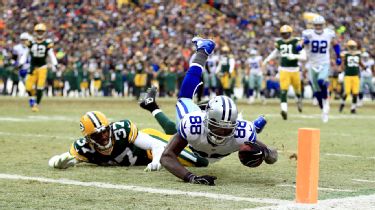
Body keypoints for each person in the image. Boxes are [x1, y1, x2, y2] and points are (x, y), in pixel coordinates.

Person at [148, 38, 277, 186]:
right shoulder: (193, 124)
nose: (221, 132)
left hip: (212, 148)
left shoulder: (242, 132)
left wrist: (265, 154)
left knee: (250, 131)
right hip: (196, 145)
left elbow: (273, 156)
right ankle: (202, 51)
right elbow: (166, 157)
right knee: (184, 97)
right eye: (218, 126)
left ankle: (254, 126)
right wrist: (191, 177)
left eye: (227, 128)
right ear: (206, 120)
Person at [48, 111, 208, 170]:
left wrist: (158, 161)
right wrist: (56, 163)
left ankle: (193, 114)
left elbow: (156, 144)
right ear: (89, 139)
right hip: (144, 157)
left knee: (201, 161)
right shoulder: (83, 148)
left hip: (149, 146)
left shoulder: (122, 129)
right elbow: (60, 158)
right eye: (97, 135)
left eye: (105, 131)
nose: (104, 137)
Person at [299, 15, 342, 122]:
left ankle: (326, 101)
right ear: (313, 25)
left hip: (324, 63)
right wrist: (300, 45)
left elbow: (335, 44)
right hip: (312, 64)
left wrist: (338, 56)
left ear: (323, 25)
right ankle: (323, 109)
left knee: (321, 81)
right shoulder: (308, 33)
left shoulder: (328, 33)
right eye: (316, 25)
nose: (318, 27)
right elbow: (302, 42)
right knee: (317, 91)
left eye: (320, 25)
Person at [263, 25, 306, 120]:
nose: (285, 35)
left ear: (290, 33)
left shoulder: (296, 41)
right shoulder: (279, 42)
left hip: (295, 69)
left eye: (286, 33)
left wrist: (294, 56)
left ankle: (298, 101)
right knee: (283, 90)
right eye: (283, 34)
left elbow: (304, 56)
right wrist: (267, 59)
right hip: (284, 69)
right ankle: (284, 109)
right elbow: (276, 52)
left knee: (298, 90)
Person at [18, 23, 58, 112]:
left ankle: (36, 104)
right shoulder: (31, 42)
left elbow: (51, 54)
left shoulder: (47, 42)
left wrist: (55, 64)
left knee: (40, 88)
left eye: (41, 31)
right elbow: (26, 53)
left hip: (42, 67)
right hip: (33, 67)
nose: (40, 33)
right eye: (38, 31)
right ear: (35, 32)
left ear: (44, 32)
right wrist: (21, 62)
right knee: (28, 87)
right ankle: (32, 100)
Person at [339, 40, 364, 114]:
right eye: (351, 47)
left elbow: (360, 62)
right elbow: (343, 64)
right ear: (348, 47)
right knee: (347, 92)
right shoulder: (346, 55)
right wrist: (341, 68)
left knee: (355, 93)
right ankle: (342, 104)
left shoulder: (358, 54)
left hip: (356, 76)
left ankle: (353, 108)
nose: (352, 48)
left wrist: (364, 67)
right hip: (348, 76)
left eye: (353, 47)